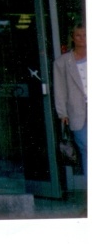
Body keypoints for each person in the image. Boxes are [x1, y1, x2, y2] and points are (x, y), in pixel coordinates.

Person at [53, 24, 87, 173]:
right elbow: (59, 90)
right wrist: (63, 113)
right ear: (72, 38)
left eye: (85, 35)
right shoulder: (62, 62)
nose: (82, 39)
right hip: (78, 112)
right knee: (86, 148)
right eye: (78, 35)